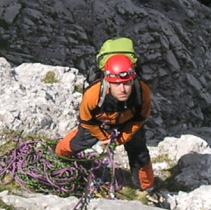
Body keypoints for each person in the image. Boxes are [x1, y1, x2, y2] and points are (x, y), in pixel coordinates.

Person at [55, 53, 161, 201]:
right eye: (117, 84)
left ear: (133, 80)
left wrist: (122, 138)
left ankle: (147, 187)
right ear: (108, 82)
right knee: (78, 142)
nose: (122, 89)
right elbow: (86, 121)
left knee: (139, 153)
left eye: (127, 83)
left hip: (128, 123)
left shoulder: (142, 92)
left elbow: (141, 118)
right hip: (99, 124)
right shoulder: (93, 94)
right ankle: (59, 156)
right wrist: (104, 138)